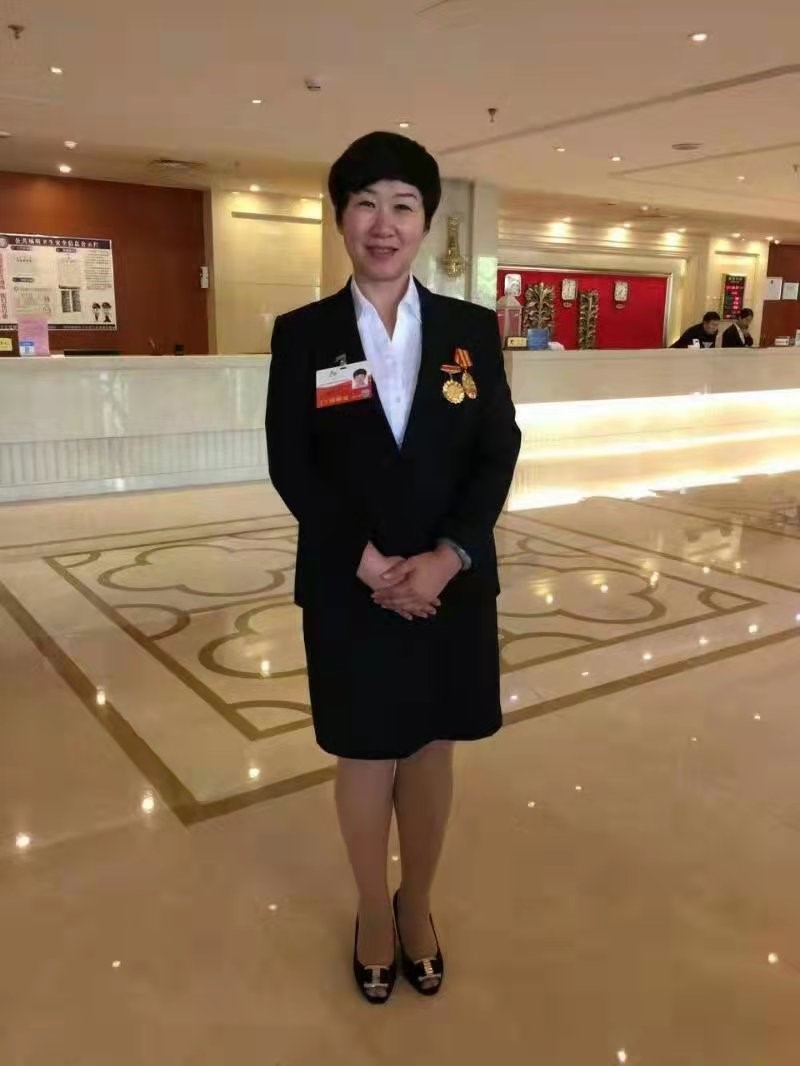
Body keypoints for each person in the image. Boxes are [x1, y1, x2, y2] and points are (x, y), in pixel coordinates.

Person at [266, 131, 521, 1005]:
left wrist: (449, 556)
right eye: (366, 204)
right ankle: (374, 911)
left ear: (426, 222)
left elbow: (496, 451)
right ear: (341, 218)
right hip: (351, 584)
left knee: (431, 748)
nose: (384, 223)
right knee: (366, 752)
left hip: (450, 584)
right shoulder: (304, 335)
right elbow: (293, 464)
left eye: (403, 205)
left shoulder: (469, 330)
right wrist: (369, 564)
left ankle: (419, 904)